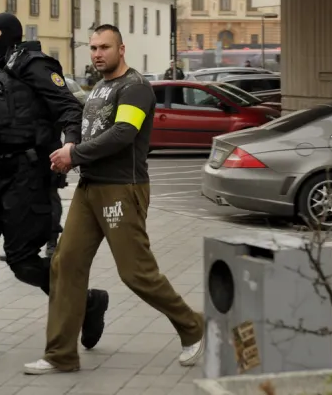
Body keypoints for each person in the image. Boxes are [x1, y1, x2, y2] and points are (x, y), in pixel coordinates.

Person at [24, 24, 206, 375]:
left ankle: (193, 326)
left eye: (104, 47)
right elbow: (87, 127)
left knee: (136, 273)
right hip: (89, 188)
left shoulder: (134, 87)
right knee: (66, 264)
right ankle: (61, 355)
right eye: (93, 48)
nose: (97, 54)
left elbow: (123, 134)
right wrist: (70, 146)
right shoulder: (100, 88)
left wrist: (74, 155)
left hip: (122, 189)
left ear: (121, 49)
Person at [0, 13, 110, 357]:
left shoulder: (34, 65)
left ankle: (88, 302)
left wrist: (70, 146)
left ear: (11, 35)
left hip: (27, 177)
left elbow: (68, 108)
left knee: (23, 263)